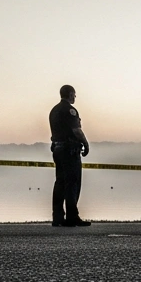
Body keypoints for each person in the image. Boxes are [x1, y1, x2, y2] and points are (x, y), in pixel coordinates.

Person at [49, 85, 91, 227]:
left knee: (60, 183)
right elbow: (76, 131)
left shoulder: (54, 111)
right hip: (69, 150)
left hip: (57, 149)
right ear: (70, 94)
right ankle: (72, 217)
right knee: (72, 183)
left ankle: (57, 217)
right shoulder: (70, 110)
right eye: (74, 94)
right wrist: (85, 143)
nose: (75, 97)